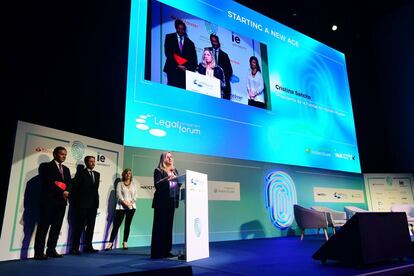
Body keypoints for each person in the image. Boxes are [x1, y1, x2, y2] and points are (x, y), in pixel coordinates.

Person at [34, 146, 72, 260]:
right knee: (43, 227)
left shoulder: (66, 169)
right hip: (49, 202)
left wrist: (67, 190)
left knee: (56, 227)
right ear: (55, 154)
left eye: (65, 154)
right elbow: (48, 182)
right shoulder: (45, 166)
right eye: (61, 154)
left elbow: (69, 183)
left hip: (61, 203)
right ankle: (39, 252)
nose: (64, 156)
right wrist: (62, 191)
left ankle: (51, 250)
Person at [150, 152, 181, 259]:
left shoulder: (175, 171)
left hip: (171, 202)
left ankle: (167, 250)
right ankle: (157, 252)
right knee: (160, 227)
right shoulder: (158, 170)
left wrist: (177, 179)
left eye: (171, 157)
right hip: (161, 202)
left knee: (168, 227)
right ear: (163, 159)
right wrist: (166, 179)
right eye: (168, 157)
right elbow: (157, 185)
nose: (170, 158)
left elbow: (178, 185)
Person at [69, 156, 100, 255]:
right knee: (79, 227)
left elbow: (95, 190)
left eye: (94, 161)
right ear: (86, 163)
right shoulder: (81, 173)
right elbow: (75, 188)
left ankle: (88, 246)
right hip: (82, 205)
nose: (93, 163)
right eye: (91, 161)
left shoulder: (97, 174)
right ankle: (74, 248)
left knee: (91, 227)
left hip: (93, 205)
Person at [105, 168, 137, 251]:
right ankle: (110, 243)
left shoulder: (133, 184)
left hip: (131, 207)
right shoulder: (120, 184)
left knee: (127, 225)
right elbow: (118, 195)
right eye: (126, 173)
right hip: (121, 207)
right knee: (116, 225)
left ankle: (125, 242)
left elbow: (135, 195)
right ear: (124, 174)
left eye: (129, 173)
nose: (128, 175)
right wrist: (125, 203)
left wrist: (131, 202)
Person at [163, 19, 197, 89]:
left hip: (185, 73)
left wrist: (186, 67)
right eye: (179, 28)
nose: (181, 31)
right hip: (172, 70)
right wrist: (177, 65)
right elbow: (168, 53)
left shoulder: (190, 43)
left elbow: (194, 60)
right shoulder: (169, 37)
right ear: (176, 28)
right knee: (172, 92)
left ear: (185, 30)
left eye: (183, 29)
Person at [210, 34, 233, 100]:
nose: (214, 43)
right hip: (210, 84)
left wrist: (222, 80)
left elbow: (229, 71)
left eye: (215, 41)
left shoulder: (224, 55)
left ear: (218, 41)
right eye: (212, 41)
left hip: (222, 85)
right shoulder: (207, 52)